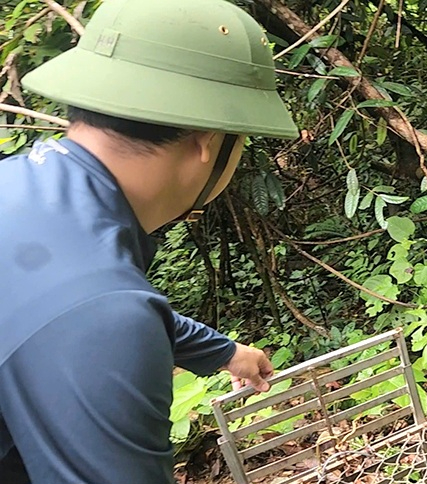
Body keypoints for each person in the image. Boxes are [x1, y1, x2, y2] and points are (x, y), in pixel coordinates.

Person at [0, 0, 300, 482]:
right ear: (208, 140)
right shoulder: (101, 312)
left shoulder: (22, 190)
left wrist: (223, 353)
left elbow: (63, 309)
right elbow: (96, 317)